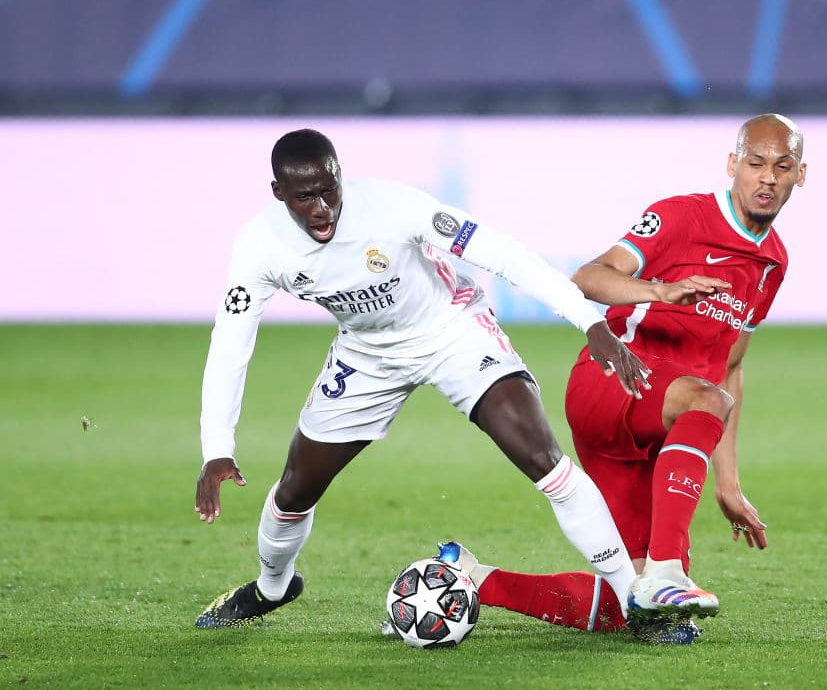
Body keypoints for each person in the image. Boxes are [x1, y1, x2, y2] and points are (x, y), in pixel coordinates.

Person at [193, 128, 654, 629]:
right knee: (294, 492)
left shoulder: (394, 208)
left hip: (451, 330)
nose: (323, 207)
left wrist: (588, 320)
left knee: (545, 461)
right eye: (305, 198)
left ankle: (635, 599)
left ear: (341, 177)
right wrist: (217, 446)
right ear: (279, 194)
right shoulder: (260, 247)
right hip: (365, 354)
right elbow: (230, 343)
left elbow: (502, 253)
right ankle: (271, 588)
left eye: (331, 189)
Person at [439, 114, 807, 643]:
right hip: (613, 381)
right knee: (705, 401)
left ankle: (471, 577)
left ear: (800, 175)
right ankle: (666, 570)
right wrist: (659, 291)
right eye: (755, 163)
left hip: (663, 424)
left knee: (631, 607)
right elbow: (587, 277)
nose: (767, 177)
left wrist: (728, 483)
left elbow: (731, 367)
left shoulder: (773, 262)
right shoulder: (681, 217)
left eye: (782, 166)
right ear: (733, 164)